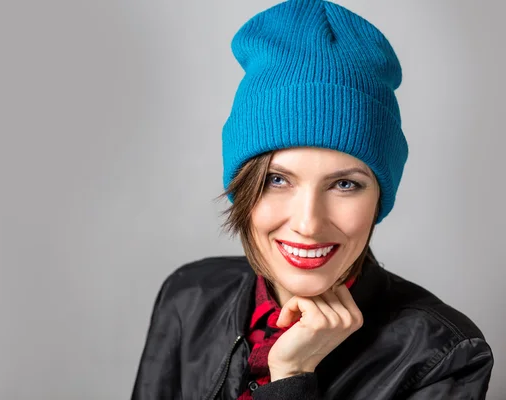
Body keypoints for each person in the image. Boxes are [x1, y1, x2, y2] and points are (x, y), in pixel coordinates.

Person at [131, 0, 494, 399]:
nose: (308, 223)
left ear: (379, 197)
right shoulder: (189, 296)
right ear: (243, 189)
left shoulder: (442, 355)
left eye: (345, 185)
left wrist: (291, 377)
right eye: (277, 180)